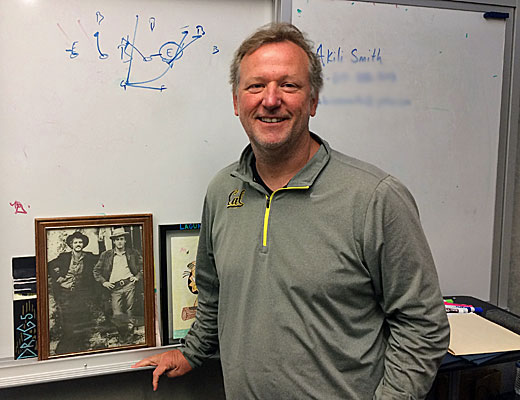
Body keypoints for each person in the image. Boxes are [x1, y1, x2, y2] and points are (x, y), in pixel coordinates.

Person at [134, 22, 450, 399]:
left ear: (313, 100)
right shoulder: (222, 191)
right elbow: (214, 293)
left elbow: (422, 326)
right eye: (256, 86)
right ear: (237, 102)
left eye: (289, 85)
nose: (270, 99)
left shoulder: (375, 198)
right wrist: (192, 351)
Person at [48, 231, 101, 354]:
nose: (78, 244)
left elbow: (102, 259)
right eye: (76, 242)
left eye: (80, 242)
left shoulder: (89, 256)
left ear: (83, 244)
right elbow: (50, 265)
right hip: (65, 292)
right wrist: (58, 276)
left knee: (81, 318)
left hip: (81, 293)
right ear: (71, 244)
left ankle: (79, 346)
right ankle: (65, 347)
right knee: (67, 320)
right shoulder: (64, 257)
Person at [93, 227, 143, 342]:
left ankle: (129, 337)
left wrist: (137, 277)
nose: (119, 242)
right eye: (117, 239)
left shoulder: (132, 253)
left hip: (129, 285)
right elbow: (96, 271)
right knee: (117, 313)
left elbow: (143, 266)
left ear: (125, 240)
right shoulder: (106, 255)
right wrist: (104, 282)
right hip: (115, 288)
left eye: (121, 239)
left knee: (130, 310)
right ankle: (122, 334)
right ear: (113, 241)